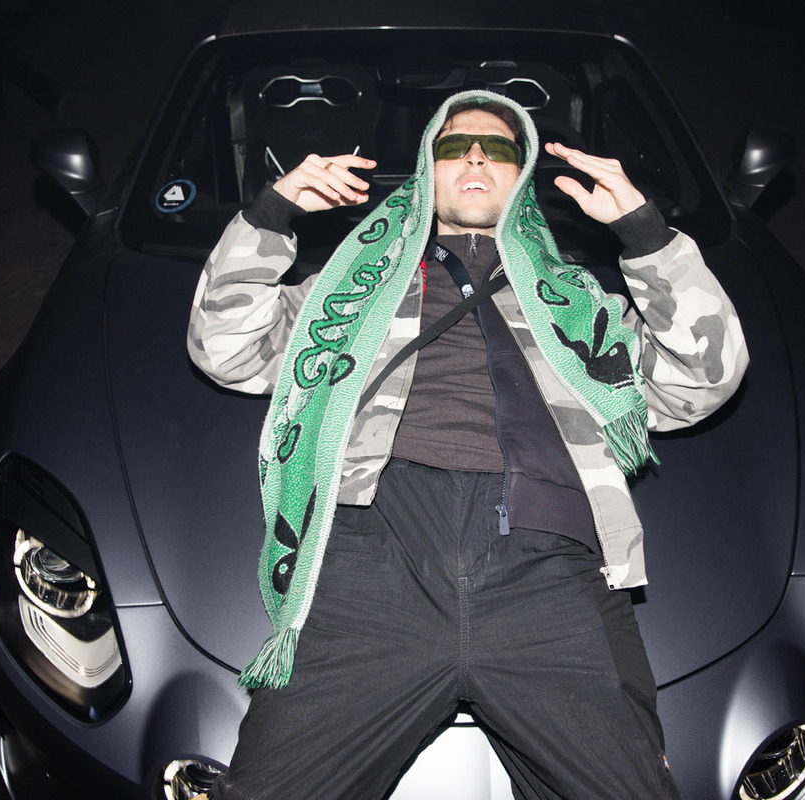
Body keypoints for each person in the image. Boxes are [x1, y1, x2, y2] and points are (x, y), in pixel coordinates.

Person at [187, 89, 748, 800]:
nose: (476, 157)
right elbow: (225, 348)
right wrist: (271, 216)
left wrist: (646, 237)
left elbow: (705, 379)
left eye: (499, 148)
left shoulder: (581, 306)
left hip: (549, 561)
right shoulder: (347, 292)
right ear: (429, 172)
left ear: (523, 175)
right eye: (455, 146)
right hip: (371, 554)